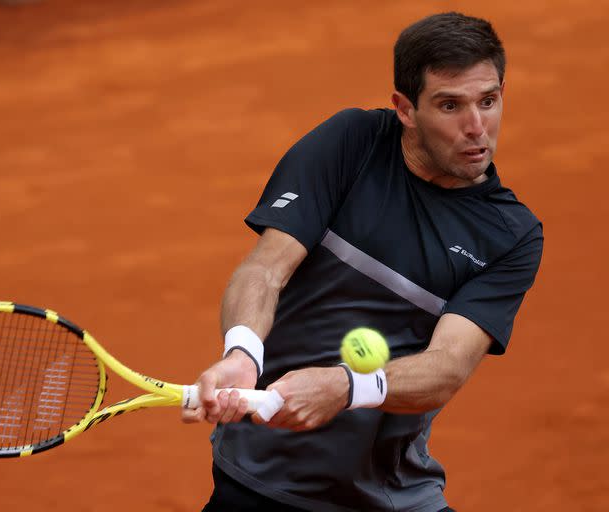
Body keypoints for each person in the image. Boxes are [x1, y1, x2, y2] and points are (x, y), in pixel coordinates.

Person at [182, 11, 543, 512]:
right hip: (262, 482)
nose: (476, 128)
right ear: (405, 109)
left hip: (390, 495)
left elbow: (447, 367)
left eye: (488, 101)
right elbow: (266, 268)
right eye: (449, 105)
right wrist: (242, 353)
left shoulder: (510, 235)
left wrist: (346, 387)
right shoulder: (351, 144)